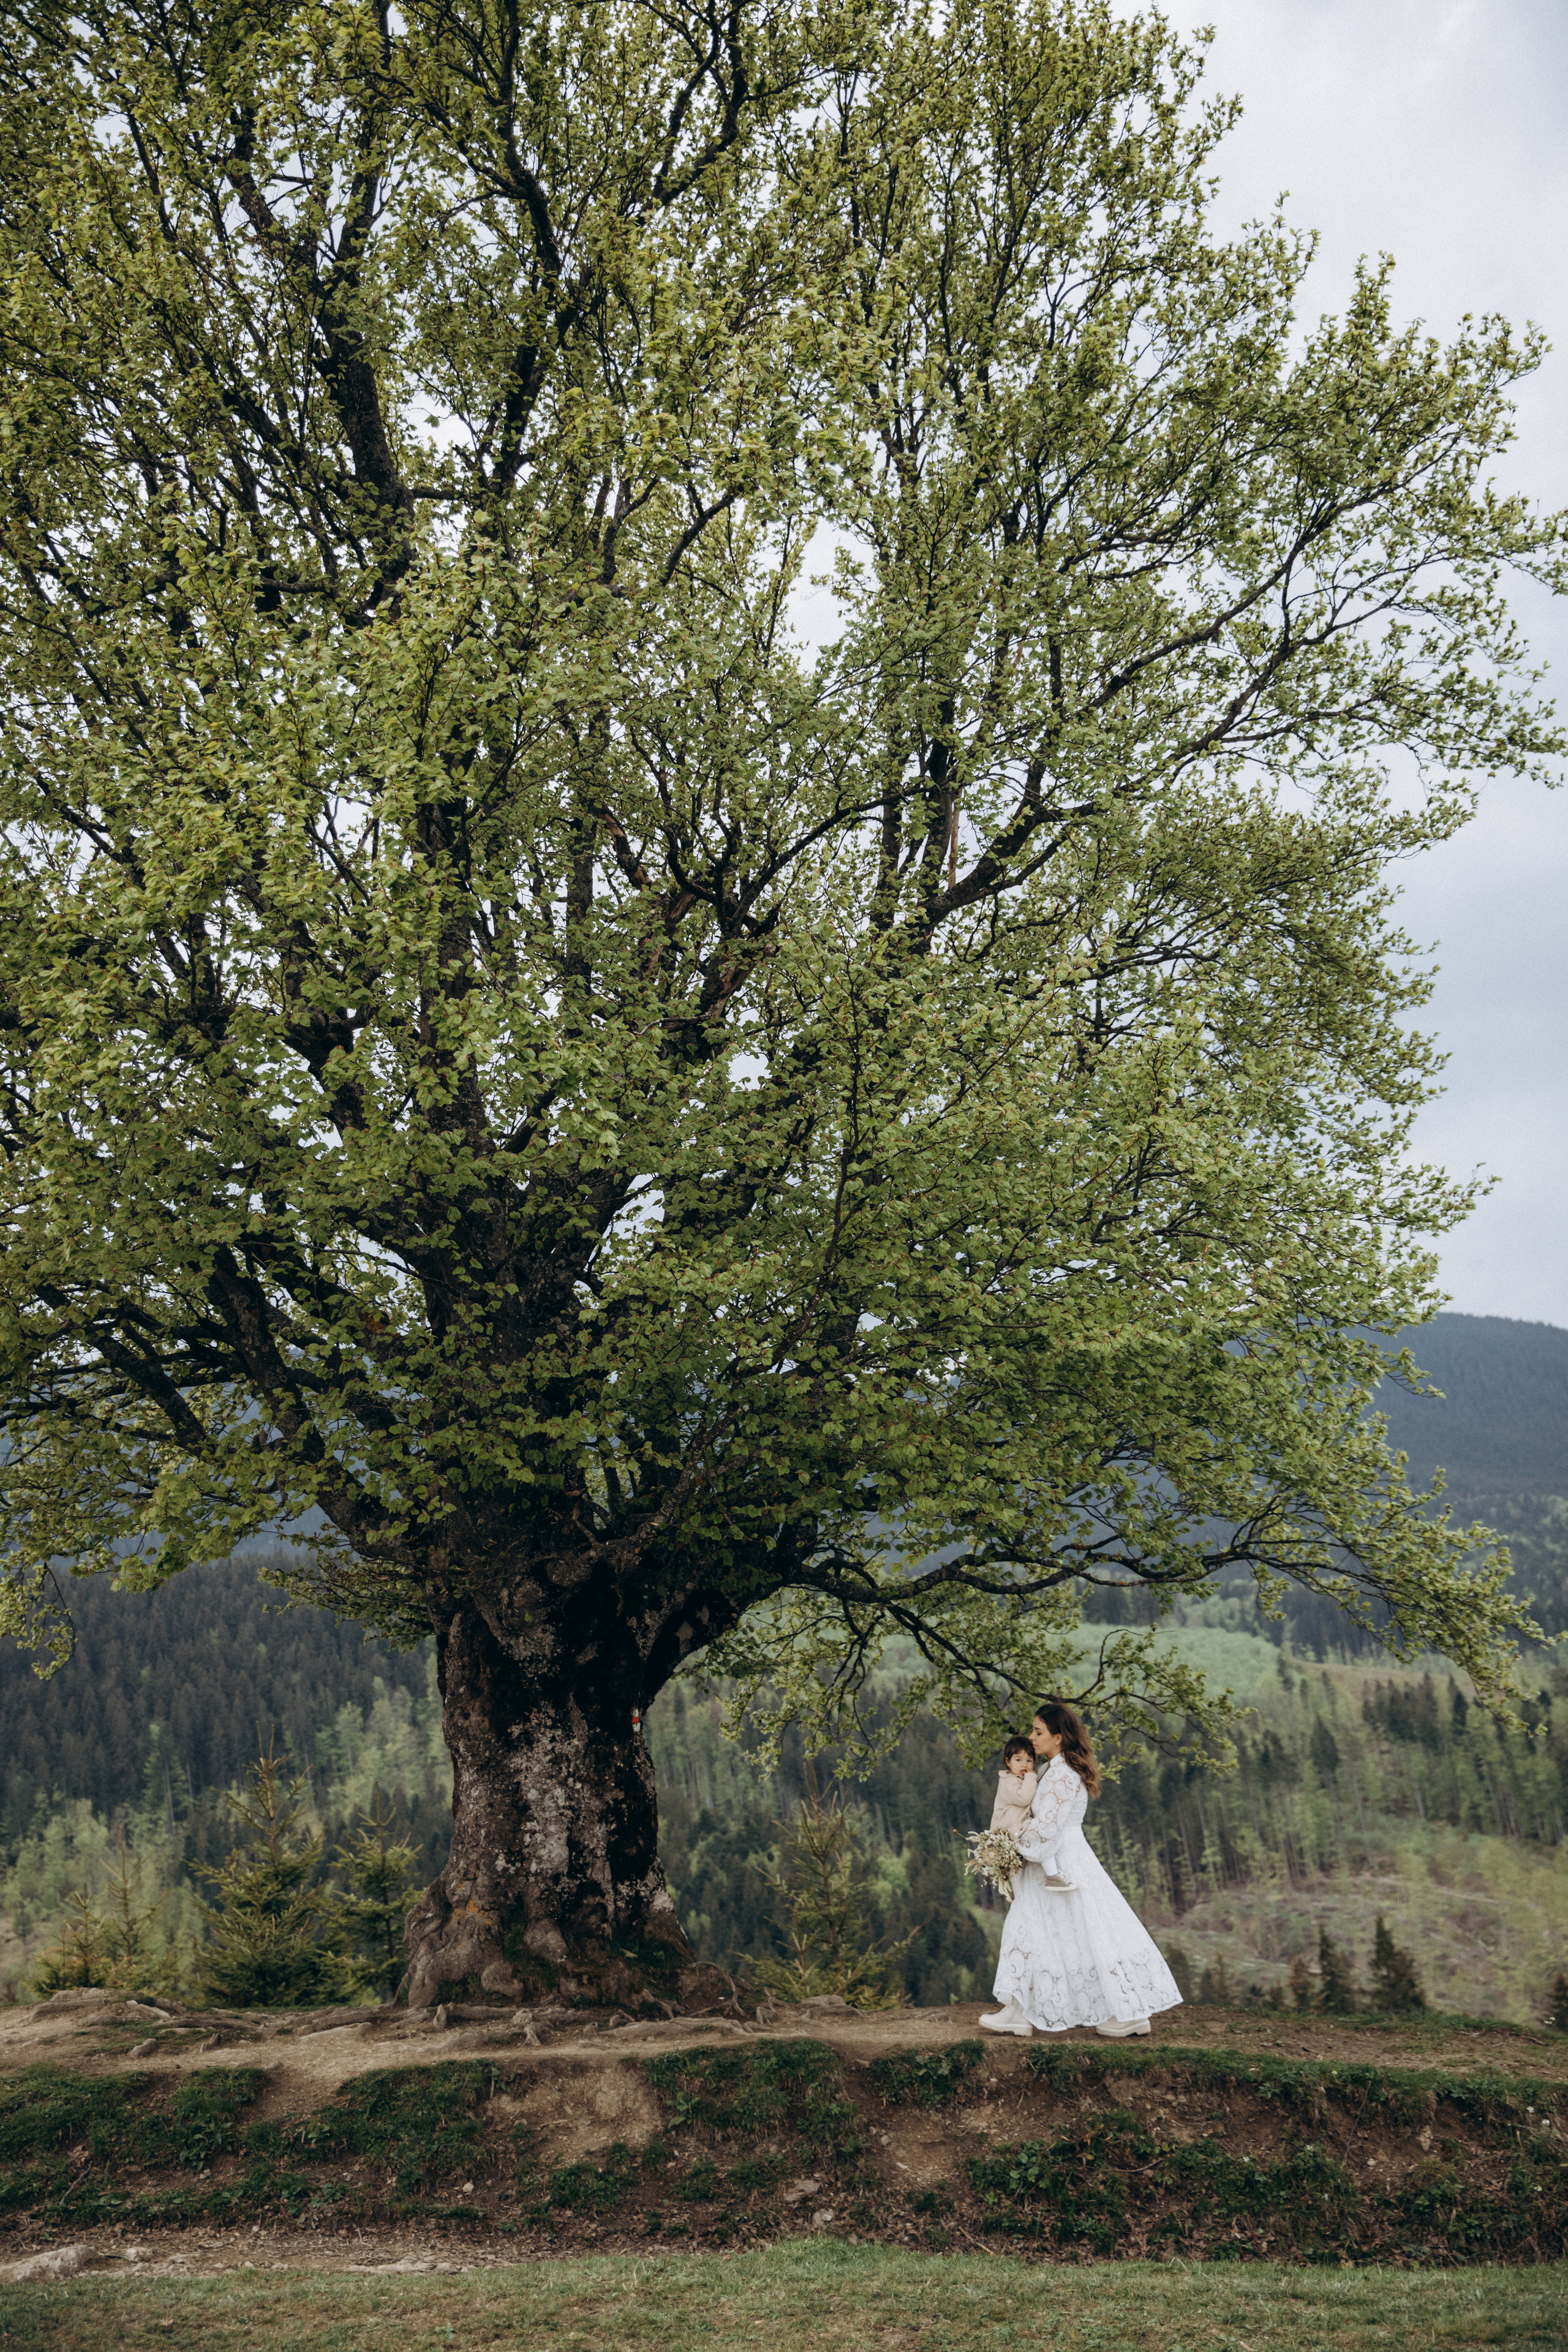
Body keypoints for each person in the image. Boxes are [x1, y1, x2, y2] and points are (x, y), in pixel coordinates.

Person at [981, 1698, 1182, 2040]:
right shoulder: (1050, 1770)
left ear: (1058, 1737)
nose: (1032, 1737)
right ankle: (1023, 2011)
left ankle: (1128, 2010)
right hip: (1057, 1860)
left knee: (1075, 1931)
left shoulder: (1061, 1775)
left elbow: (1048, 1828)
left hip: (1060, 1860)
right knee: (1060, 1933)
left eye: (1038, 1731)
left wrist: (1012, 1848)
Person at [989, 1735, 1038, 1835]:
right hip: (1005, 1831)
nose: (1024, 1765)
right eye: (1018, 1760)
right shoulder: (1008, 1781)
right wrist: (1031, 1777)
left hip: (1015, 1828)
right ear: (1008, 1762)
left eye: (1029, 1761)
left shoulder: (1020, 1779)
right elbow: (1023, 1799)